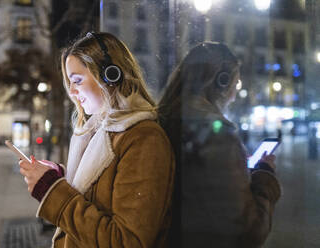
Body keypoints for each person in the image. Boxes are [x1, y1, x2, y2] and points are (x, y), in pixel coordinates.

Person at [19, 32, 175, 247]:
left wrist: (52, 191)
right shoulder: (98, 132)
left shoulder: (143, 139)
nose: (72, 92)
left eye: (77, 81)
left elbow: (126, 241)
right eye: (70, 83)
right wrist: (59, 176)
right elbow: (101, 190)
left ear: (110, 75)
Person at [158, 42, 281, 248]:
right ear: (221, 82)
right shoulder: (218, 135)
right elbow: (248, 231)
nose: (234, 95)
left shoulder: (163, 118)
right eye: (236, 83)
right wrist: (264, 177)